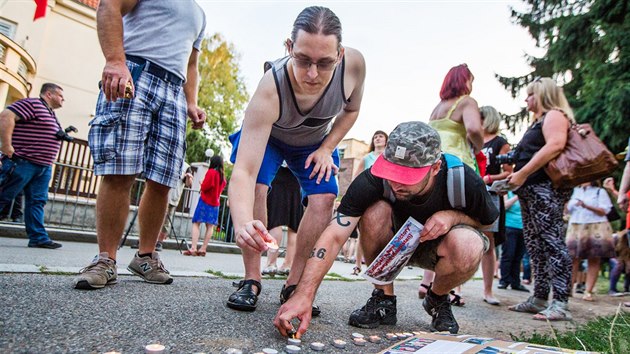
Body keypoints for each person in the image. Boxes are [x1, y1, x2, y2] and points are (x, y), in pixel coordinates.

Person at [274, 122, 498, 336]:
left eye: (407, 177)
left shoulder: (462, 179)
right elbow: (334, 235)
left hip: (442, 246)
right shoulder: (372, 179)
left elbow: (487, 222)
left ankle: (438, 298)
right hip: (393, 242)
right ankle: (384, 298)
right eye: (392, 172)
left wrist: (453, 216)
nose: (395, 183)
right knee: (374, 211)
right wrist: (304, 294)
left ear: (435, 168)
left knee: (469, 243)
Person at [226, 6, 366, 313]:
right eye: (303, 60)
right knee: (259, 187)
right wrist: (241, 223)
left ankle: (294, 283)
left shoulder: (354, 65)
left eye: (325, 63)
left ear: (340, 55)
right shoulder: (270, 88)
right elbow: (244, 173)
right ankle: (251, 279)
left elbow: (352, 110)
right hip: (271, 137)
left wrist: (328, 147)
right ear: (289, 48)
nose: (313, 74)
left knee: (325, 195)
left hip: (314, 142)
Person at [74, 0, 206, 290]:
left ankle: (145, 256)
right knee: (120, 168)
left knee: (163, 178)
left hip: (173, 89)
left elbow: (192, 64)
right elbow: (109, 5)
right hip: (135, 72)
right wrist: (115, 60)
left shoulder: (199, 14)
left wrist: (191, 102)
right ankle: (105, 259)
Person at [506, 77, 574, 321]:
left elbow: (556, 144)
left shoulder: (554, 115)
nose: (526, 99)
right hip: (530, 190)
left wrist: (523, 172)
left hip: (545, 189)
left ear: (542, 94)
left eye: (530, 95)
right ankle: (539, 298)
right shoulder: (537, 121)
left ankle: (560, 302)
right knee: (535, 245)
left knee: (552, 242)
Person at [419, 63, 485, 302]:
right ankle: (453, 288)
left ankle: (427, 282)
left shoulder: (437, 108)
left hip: (432, 169)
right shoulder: (467, 102)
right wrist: (479, 144)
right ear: (465, 81)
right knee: (459, 224)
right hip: (457, 167)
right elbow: (474, 128)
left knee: (434, 223)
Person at [0, 83, 66, 249]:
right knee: (4, 194)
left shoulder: (50, 113)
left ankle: (38, 237)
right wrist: (6, 146)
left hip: (43, 166)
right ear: (49, 94)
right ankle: (38, 236)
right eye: (60, 95)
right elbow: (6, 116)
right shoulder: (33, 104)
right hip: (23, 161)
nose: (63, 99)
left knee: (37, 201)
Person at [478, 105, 514, 304]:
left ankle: (488, 291)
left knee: (488, 242)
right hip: (472, 192)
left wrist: (488, 177)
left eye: (480, 117)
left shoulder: (501, 143)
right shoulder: (471, 141)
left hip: (491, 194)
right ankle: (455, 290)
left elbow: (508, 172)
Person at [565, 181, 615, 301]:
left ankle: (588, 291)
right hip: (576, 225)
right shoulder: (574, 190)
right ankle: (568, 289)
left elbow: (605, 210)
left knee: (594, 258)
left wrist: (586, 206)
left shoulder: (599, 191)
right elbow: (567, 210)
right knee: (572, 258)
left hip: (596, 226)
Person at [350, 130, 388, 275]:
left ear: (386, 140)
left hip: (385, 198)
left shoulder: (390, 157)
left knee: (383, 234)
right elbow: (356, 178)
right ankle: (358, 265)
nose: (378, 139)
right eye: (375, 137)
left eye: (381, 136)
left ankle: (377, 267)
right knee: (363, 232)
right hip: (368, 197)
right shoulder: (367, 158)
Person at [262, 165, 303, 276]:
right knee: (294, 225)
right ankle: (288, 265)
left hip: (278, 174)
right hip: (297, 177)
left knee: (275, 221)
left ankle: (271, 264)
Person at [185, 155, 227, 257]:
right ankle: (203, 248)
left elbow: (205, 186)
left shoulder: (211, 172)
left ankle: (193, 248)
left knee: (196, 223)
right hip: (215, 204)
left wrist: (201, 183)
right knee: (210, 226)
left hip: (205, 201)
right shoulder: (222, 177)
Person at [155, 162, 193, 252]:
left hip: (173, 197)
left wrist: (188, 177)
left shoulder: (186, 167)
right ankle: (145, 240)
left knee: (166, 222)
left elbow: (188, 184)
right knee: (154, 217)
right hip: (161, 194)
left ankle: (159, 242)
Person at [498, 191, 528, 292]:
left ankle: (516, 282)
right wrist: (517, 197)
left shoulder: (527, 192)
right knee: (508, 255)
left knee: (518, 256)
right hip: (509, 226)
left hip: (523, 228)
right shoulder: (508, 191)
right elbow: (505, 206)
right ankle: (504, 281)